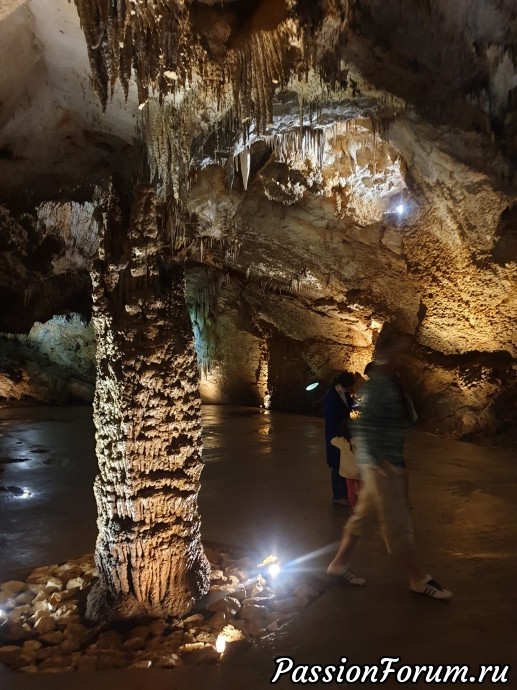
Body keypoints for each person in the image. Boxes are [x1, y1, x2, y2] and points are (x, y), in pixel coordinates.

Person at [326, 335, 452, 600]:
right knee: (398, 527)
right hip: (381, 468)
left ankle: (338, 564)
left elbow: (402, 421)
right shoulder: (377, 388)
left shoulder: (390, 385)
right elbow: (363, 425)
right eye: (398, 351)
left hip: (381, 465)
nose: (402, 357)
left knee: (361, 520)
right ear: (386, 355)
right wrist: (383, 463)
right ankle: (418, 579)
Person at [323, 371, 356, 506]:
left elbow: (350, 404)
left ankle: (345, 493)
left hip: (344, 432)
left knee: (345, 463)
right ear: (341, 384)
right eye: (347, 387)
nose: (348, 390)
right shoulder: (331, 396)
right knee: (337, 465)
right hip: (335, 434)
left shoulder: (343, 393)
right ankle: (337, 495)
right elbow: (331, 419)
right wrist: (343, 427)